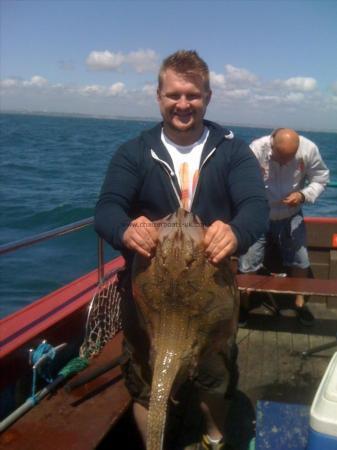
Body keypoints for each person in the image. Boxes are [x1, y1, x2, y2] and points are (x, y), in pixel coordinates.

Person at [95, 50, 269, 450]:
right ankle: (158, 439)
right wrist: (125, 230)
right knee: (146, 383)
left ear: (208, 97)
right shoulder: (135, 152)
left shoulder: (231, 150)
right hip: (147, 298)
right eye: (174, 95)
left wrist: (237, 231)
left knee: (214, 378)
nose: (183, 104)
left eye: (193, 95)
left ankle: (213, 438)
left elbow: (256, 207)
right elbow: (106, 209)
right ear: (158, 96)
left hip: (211, 294)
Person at [239, 128, 330, 326]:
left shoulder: (309, 149)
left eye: (291, 159)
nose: (285, 163)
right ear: (272, 145)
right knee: (248, 262)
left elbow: (321, 178)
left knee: (300, 260)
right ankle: (243, 305)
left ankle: (299, 304)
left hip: (291, 214)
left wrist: (303, 195)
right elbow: (241, 180)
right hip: (259, 214)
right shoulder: (257, 149)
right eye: (281, 158)